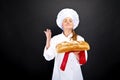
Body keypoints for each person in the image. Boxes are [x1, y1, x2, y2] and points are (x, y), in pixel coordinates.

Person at [43, 8, 88, 80]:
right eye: (65, 20)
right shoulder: (55, 39)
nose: (68, 22)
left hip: (75, 75)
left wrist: (77, 55)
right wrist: (48, 39)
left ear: (74, 24)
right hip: (59, 74)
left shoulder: (80, 40)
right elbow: (48, 57)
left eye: (70, 20)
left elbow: (83, 61)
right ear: (62, 24)